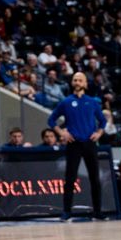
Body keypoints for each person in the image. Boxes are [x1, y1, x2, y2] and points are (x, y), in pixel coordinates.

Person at [47, 71, 107, 220]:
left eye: (80, 80)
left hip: (90, 143)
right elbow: (51, 120)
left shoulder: (92, 102)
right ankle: (67, 211)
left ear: (85, 84)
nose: (77, 82)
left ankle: (97, 211)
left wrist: (99, 133)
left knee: (95, 178)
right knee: (70, 178)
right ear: (72, 83)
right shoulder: (66, 102)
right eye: (75, 80)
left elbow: (103, 121)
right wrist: (62, 133)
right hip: (74, 144)